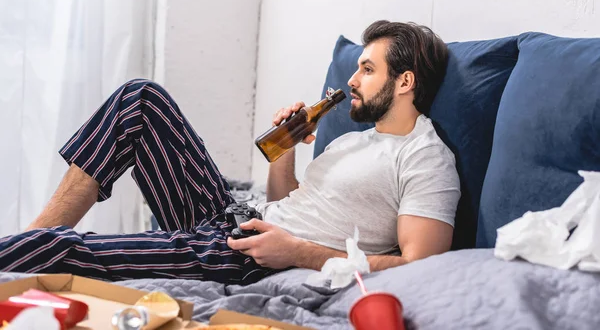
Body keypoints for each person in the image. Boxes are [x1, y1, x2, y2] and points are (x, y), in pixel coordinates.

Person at [0, 20, 460, 285]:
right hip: (237, 216)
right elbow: (286, 204)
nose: (352, 81)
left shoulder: (425, 157)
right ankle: (28, 246)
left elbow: (420, 265)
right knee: (140, 99)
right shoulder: (354, 140)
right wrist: (284, 151)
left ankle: (27, 253)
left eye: (366, 69)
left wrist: (295, 252)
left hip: (245, 255)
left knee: (60, 252)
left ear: (405, 82)